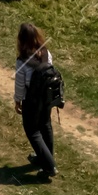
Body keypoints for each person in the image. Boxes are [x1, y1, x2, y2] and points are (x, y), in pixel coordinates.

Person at [14, 23, 60, 179]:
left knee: (32, 131)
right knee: (45, 125)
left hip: (32, 101)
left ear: (21, 40)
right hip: (47, 98)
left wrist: (17, 100)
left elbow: (20, 84)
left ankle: (49, 167)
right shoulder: (47, 53)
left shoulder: (22, 61)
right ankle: (46, 158)